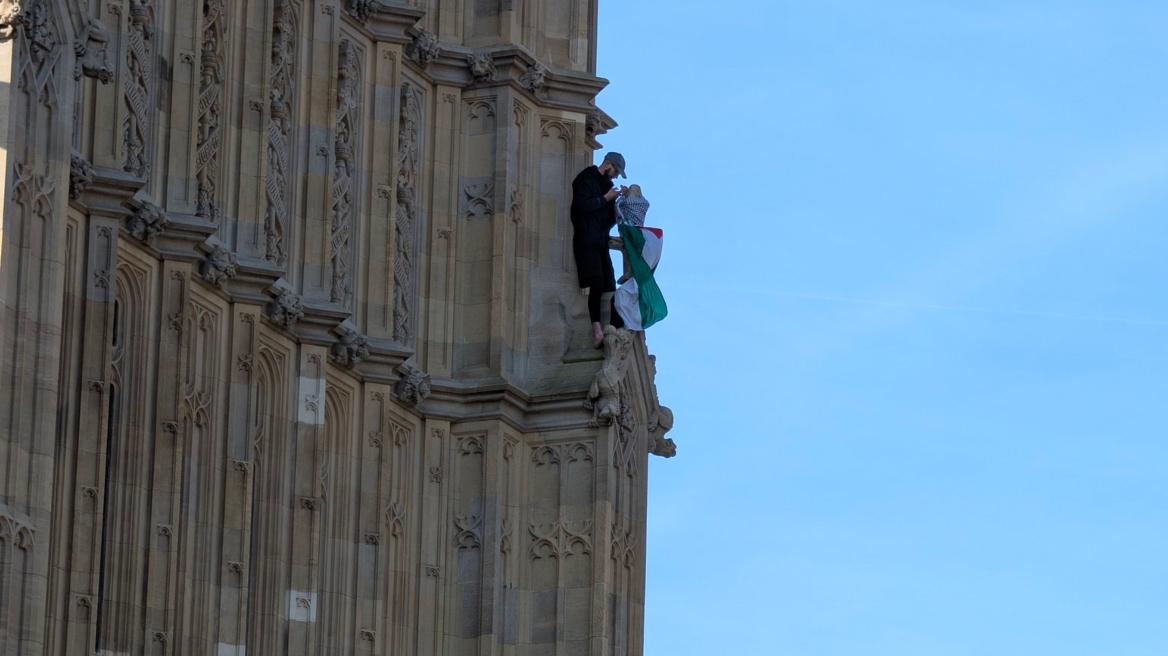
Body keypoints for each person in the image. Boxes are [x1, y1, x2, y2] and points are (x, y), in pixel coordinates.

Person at [571, 151, 628, 347]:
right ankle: (597, 331)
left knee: (610, 287)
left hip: (600, 242)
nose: (615, 176)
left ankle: (611, 329)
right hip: (586, 240)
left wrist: (621, 201)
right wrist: (606, 198)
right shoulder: (586, 177)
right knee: (596, 284)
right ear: (608, 164)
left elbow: (608, 220)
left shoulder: (608, 187)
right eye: (615, 171)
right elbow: (582, 206)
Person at [614, 184, 649, 284]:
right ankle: (630, 272)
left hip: (627, 227)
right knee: (631, 250)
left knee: (627, 248)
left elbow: (617, 206)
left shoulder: (628, 201)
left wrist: (623, 195)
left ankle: (628, 273)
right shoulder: (644, 203)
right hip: (638, 230)